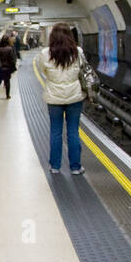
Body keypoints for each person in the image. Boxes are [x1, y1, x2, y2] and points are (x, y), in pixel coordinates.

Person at [39, 24, 86, 175]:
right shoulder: (77, 52)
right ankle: (75, 167)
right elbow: (83, 68)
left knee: (55, 132)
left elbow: (43, 71)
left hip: (54, 97)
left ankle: (55, 166)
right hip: (74, 96)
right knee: (73, 131)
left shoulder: (45, 53)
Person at [0, 33, 17, 99]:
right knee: (7, 81)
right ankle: (7, 95)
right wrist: (13, 67)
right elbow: (12, 59)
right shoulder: (9, 49)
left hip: (0, 67)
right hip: (7, 68)